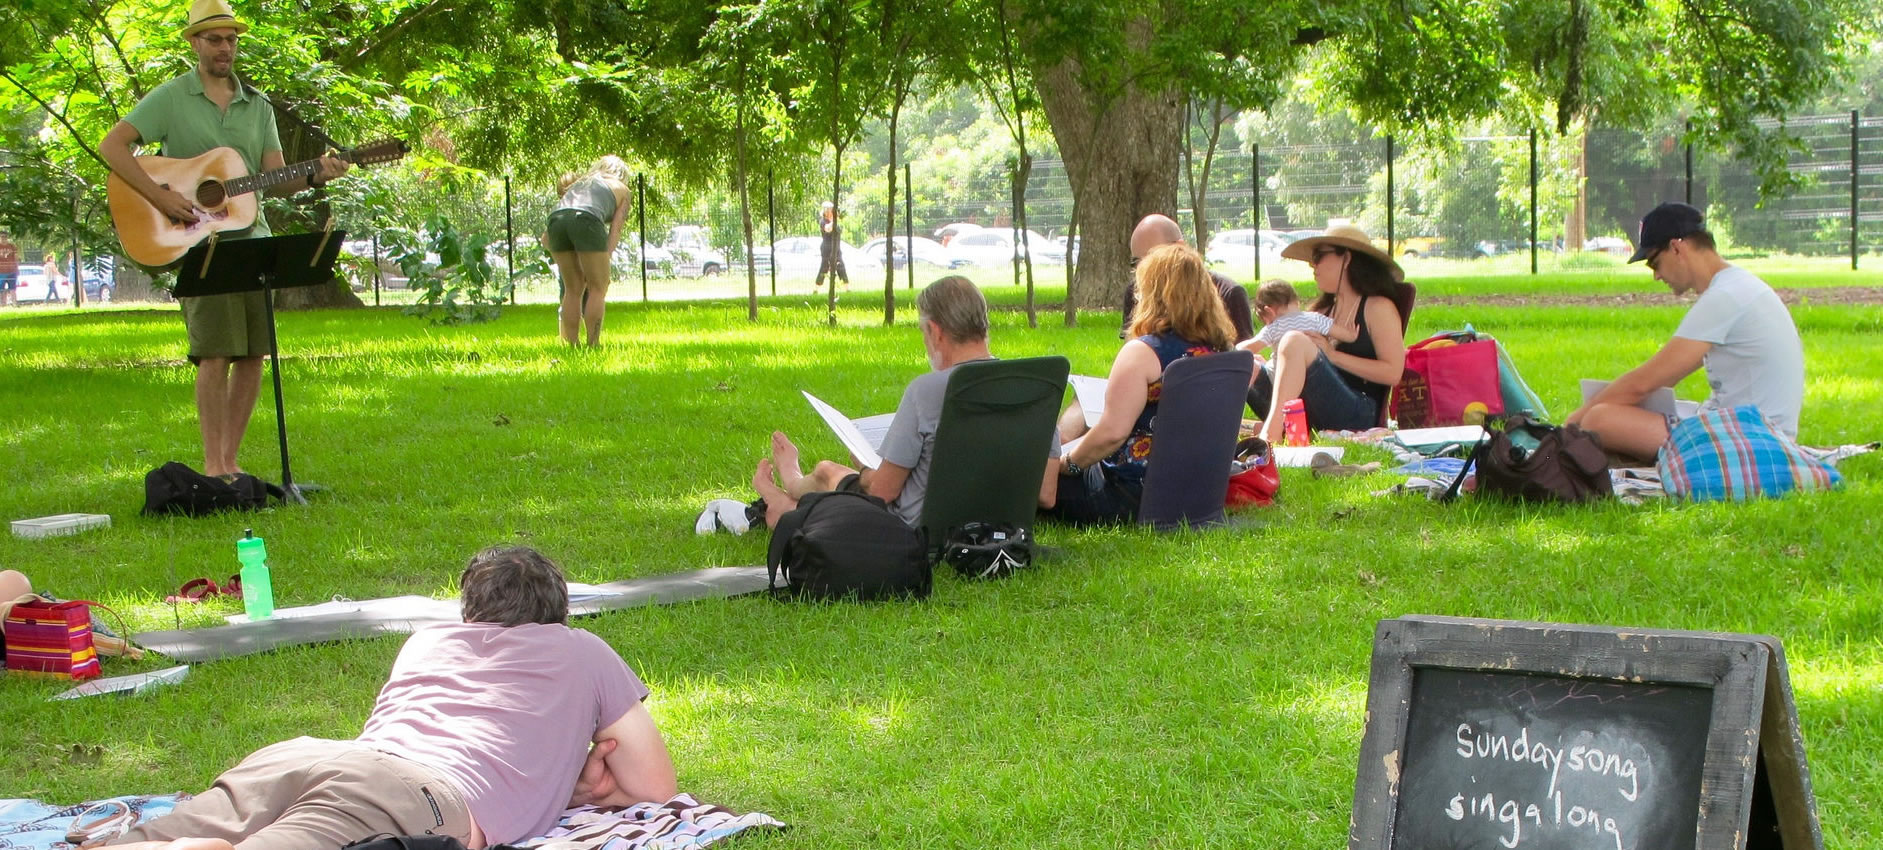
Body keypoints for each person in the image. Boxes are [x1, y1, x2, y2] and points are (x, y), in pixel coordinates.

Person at [106, 546, 677, 850]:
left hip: (307, 757)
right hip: (417, 793)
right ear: (561, 611)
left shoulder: (429, 640)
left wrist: (560, 779)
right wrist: (570, 781)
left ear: (468, 611)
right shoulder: (581, 649)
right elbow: (654, 786)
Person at [99, 0, 348, 480]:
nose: (225, 48)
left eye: (231, 39)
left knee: (253, 354)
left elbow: (275, 178)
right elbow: (113, 146)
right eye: (214, 39)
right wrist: (163, 198)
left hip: (254, 242)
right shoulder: (171, 98)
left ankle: (231, 462)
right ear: (194, 43)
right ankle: (212, 466)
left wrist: (318, 174)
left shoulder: (258, 105)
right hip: (201, 244)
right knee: (215, 353)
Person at [751, 276, 1054, 528]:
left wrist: (867, 469)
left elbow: (882, 492)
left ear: (935, 331)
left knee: (830, 472)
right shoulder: (1038, 384)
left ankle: (785, 493)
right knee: (833, 474)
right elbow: (1047, 494)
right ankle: (789, 490)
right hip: (1002, 527)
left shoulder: (928, 390)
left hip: (917, 527)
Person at [1566, 202, 1804, 460]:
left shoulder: (1725, 297)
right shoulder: (1737, 286)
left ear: (1677, 248)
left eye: (1654, 263)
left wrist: (1572, 423)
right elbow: (1659, 379)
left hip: (1753, 442)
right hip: (1753, 430)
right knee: (1612, 413)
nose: (1656, 276)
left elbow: (1645, 383)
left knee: (1599, 419)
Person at [1046, 243, 1245, 525]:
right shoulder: (1222, 352)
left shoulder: (1143, 353)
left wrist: (1070, 464)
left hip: (1133, 493)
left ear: (1152, 294)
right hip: (1200, 492)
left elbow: (1112, 433)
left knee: (1035, 480)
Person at [1248, 224, 1408, 444]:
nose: (1313, 265)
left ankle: (1270, 436)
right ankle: (1226, 432)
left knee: (1294, 340)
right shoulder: (1321, 311)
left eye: (1319, 256)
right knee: (1246, 364)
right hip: (1313, 409)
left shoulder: (1377, 307)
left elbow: (1393, 373)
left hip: (1358, 412)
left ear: (1346, 259)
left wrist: (1334, 356)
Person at [1119, 214, 1254, 344]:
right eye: (1138, 262)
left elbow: (1242, 359)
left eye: (1153, 257)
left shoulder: (1229, 293)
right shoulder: (1136, 292)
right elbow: (1130, 352)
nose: (1146, 268)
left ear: (1180, 247)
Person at [547, 157, 631, 346]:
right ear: (622, 175)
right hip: (587, 219)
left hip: (556, 219)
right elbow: (615, 230)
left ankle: (571, 344)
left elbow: (548, 235)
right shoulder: (623, 190)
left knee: (572, 288)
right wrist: (605, 257)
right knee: (598, 287)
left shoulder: (583, 182)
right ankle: (593, 344)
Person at [1240, 278, 1357, 361]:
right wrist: (1352, 335)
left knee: (1256, 363)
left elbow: (1245, 348)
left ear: (1269, 311)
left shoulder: (1274, 327)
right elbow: (1345, 335)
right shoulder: (1315, 318)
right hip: (1313, 373)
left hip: (1280, 376)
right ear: (1297, 302)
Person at [814, 201, 848, 290]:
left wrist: (836, 219)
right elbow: (828, 229)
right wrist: (834, 220)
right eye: (828, 210)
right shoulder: (823, 221)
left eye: (831, 210)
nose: (830, 211)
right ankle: (816, 288)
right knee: (824, 267)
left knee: (841, 266)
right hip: (827, 248)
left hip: (836, 248)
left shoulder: (836, 221)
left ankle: (847, 288)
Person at [0, 231, 17, 307]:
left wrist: (17, 268)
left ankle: (14, 303)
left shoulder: (12, 246)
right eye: (2, 237)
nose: (4, 238)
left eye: (5, 237)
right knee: (1, 289)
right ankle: (3, 304)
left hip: (12, 271)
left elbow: (16, 258)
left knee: (12, 288)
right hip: (1, 271)